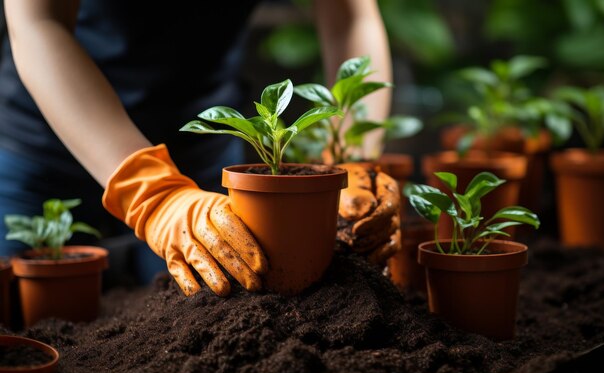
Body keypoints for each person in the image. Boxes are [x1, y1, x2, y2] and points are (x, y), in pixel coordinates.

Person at [0, 0, 398, 296]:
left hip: (201, 145)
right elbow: (38, 24)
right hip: (48, 141)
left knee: (200, 315)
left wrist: (349, 158)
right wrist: (152, 193)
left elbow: (350, 18)